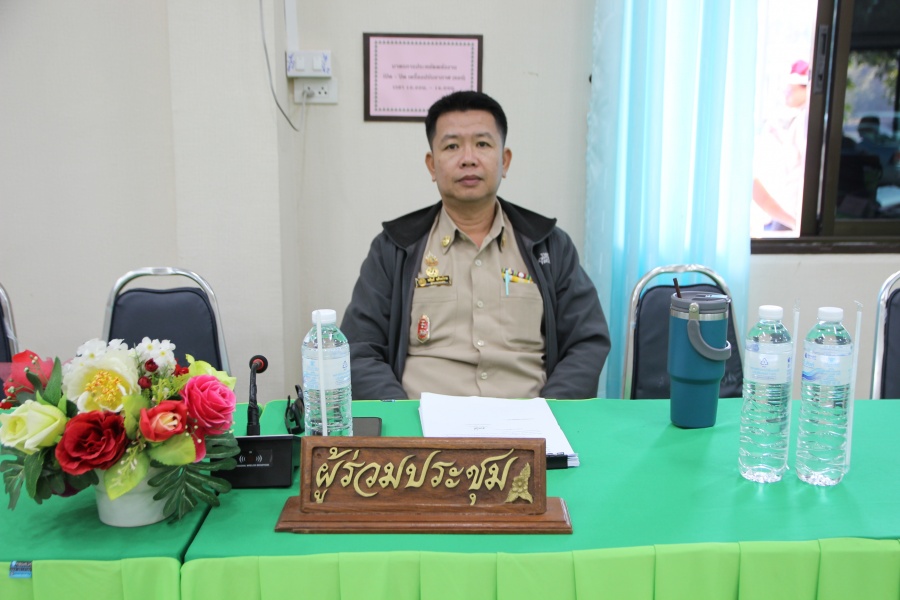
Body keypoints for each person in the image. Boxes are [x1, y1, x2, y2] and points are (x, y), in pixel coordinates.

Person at [341, 91, 610, 400]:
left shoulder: (548, 245)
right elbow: (359, 349)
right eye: (452, 146)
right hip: (423, 422)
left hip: (529, 422)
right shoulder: (394, 248)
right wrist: (400, 417)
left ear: (504, 161)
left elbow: (586, 341)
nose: (468, 158)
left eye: (482, 144)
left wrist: (550, 413)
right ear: (432, 165)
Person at [751, 59, 810, 235]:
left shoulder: (805, 120)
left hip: (791, 213)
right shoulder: (792, 121)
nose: (786, 92)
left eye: (791, 88)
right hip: (783, 212)